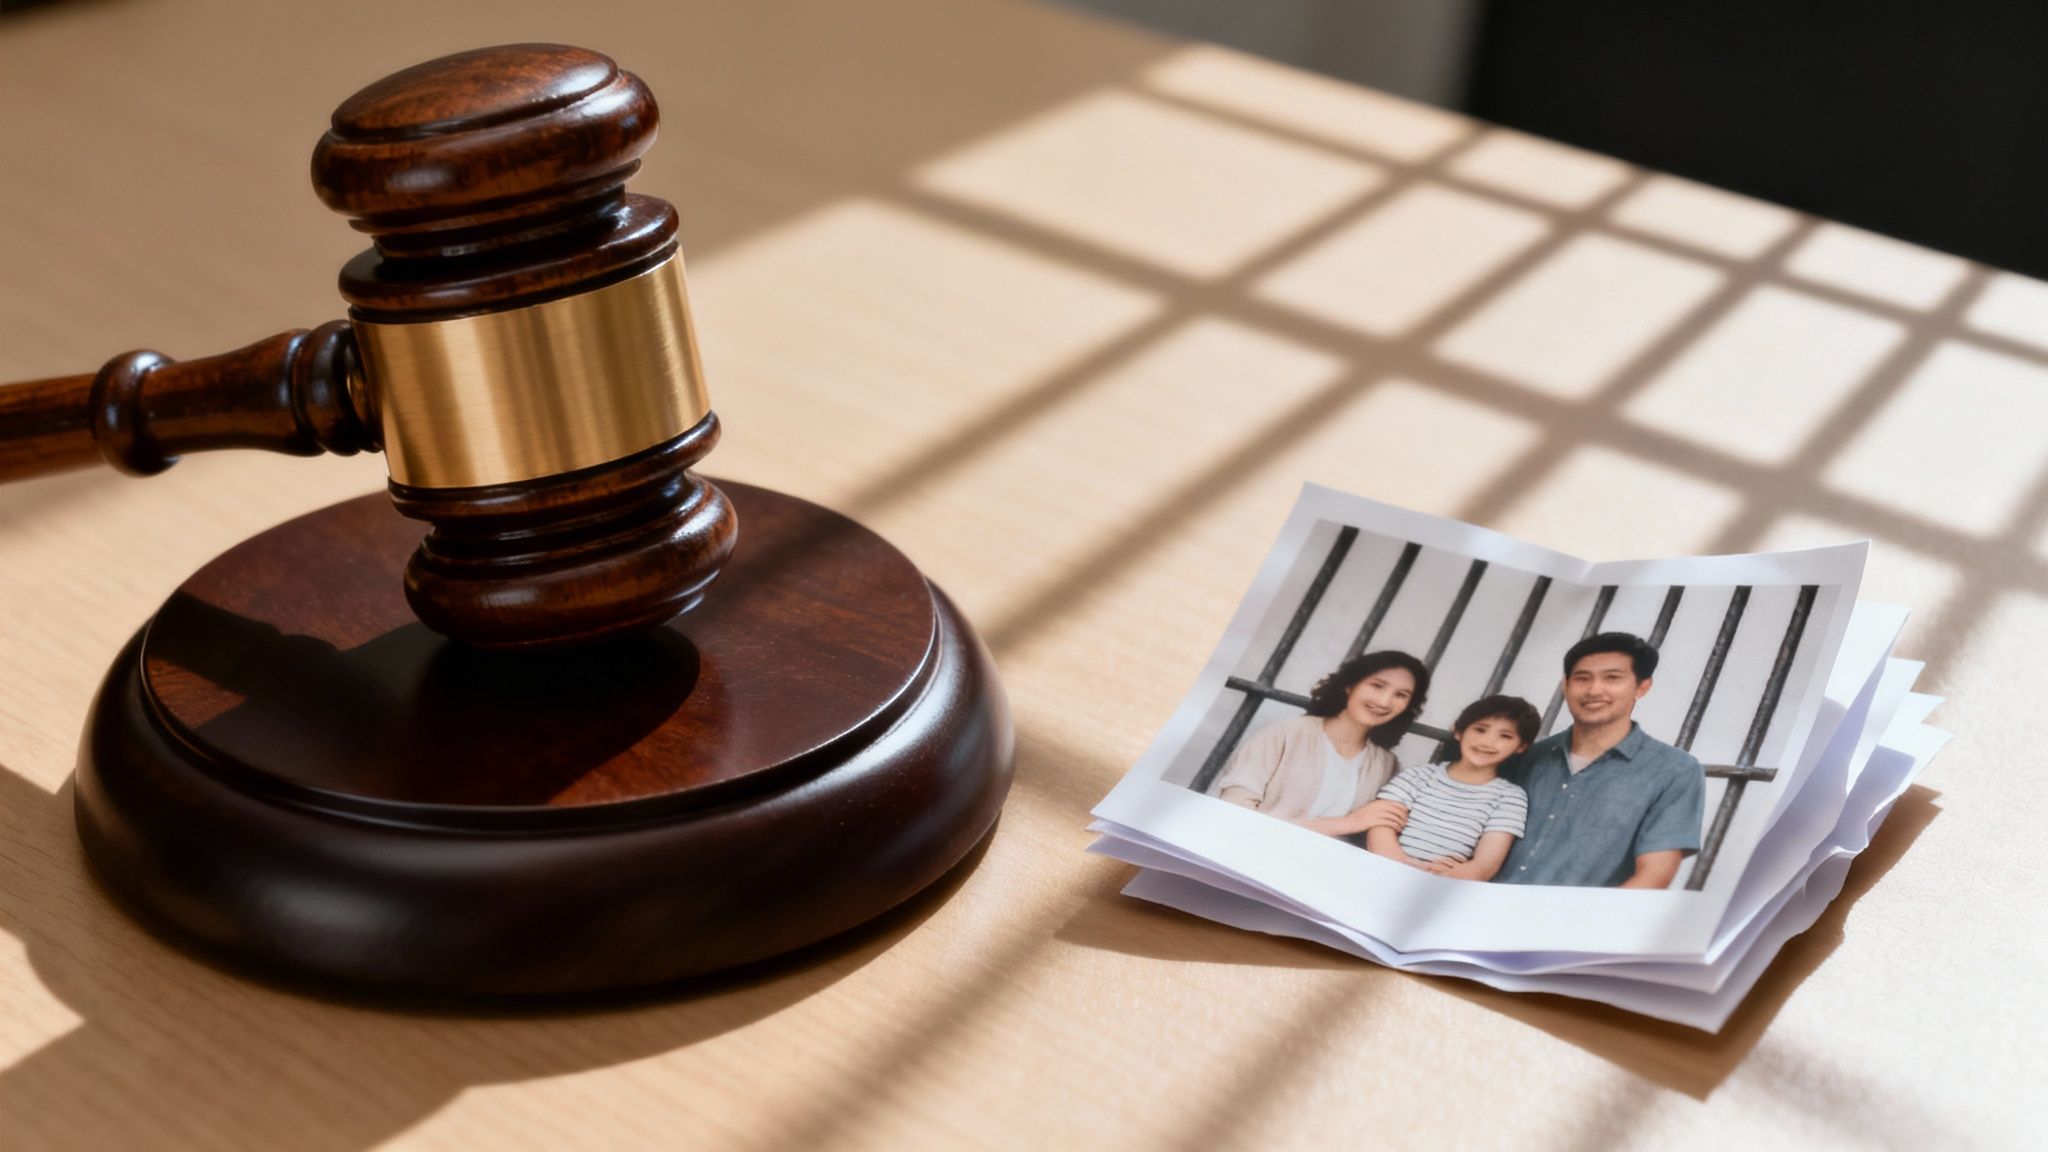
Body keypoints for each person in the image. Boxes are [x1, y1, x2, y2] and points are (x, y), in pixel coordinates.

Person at [1494, 632, 1706, 889]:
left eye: (1612, 678)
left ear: (1642, 686)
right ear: (1566, 685)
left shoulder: (1676, 771)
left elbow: (1652, 878)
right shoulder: (1530, 756)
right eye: (1582, 678)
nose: (1594, 690)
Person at [1211, 651, 1430, 827]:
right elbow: (1233, 812)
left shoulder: (1386, 765)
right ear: (1350, 686)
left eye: (1401, 695)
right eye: (1377, 685)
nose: (1384, 701)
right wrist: (1345, 824)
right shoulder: (1286, 733)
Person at [1341, 695, 1535, 882]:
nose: (1487, 742)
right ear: (1459, 732)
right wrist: (1398, 863)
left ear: (1521, 746)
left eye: (1505, 736)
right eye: (1480, 730)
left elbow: (1486, 865)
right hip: (1384, 869)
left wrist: (1453, 876)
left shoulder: (1510, 797)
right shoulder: (1418, 776)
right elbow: (1380, 825)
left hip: (1444, 884)